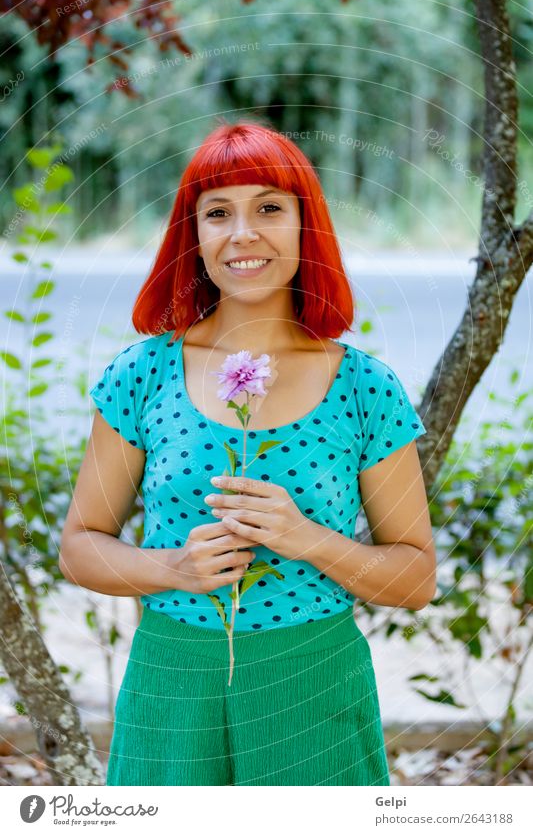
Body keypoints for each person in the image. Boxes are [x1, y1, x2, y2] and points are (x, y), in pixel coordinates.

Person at [60, 118, 436, 787]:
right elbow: (81, 546)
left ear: (304, 226)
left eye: (268, 207)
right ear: (193, 236)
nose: (243, 234)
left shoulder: (365, 387)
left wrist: (306, 538)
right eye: (217, 213)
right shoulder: (142, 374)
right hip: (172, 677)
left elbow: (413, 579)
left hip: (312, 678)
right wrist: (171, 567)